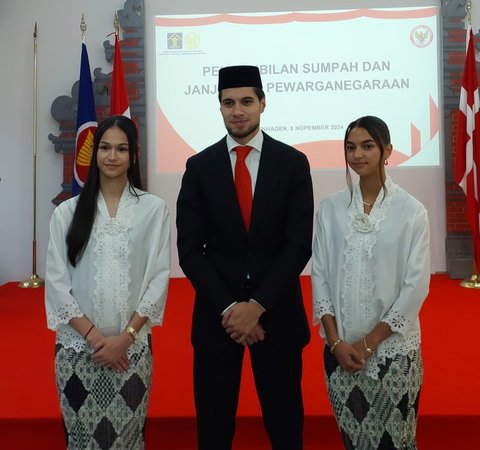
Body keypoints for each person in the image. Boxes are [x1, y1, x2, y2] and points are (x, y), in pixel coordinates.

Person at [176, 65, 314, 450]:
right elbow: (190, 249)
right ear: (220, 108)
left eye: (246, 102)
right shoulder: (199, 167)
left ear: (263, 104)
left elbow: (298, 244)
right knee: (214, 433)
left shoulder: (292, 163)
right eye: (228, 103)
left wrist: (257, 305)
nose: (238, 110)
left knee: (286, 429)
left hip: (278, 317)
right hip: (217, 322)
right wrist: (231, 309)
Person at [45, 115, 170, 450]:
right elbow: (56, 284)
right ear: (93, 153)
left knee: (127, 440)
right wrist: (98, 339)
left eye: (121, 148)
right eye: (104, 147)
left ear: (133, 156)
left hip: (131, 354)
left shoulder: (154, 210)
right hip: (77, 353)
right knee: (82, 440)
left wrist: (124, 339)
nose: (112, 156)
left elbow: (158, 278)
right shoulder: (67, 213)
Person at [311, 116, 430, 449]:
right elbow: (319, 275)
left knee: (397, 442)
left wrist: (369, 343)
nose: (357, 154)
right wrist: (336, 343)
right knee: (355, 441)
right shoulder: (330, 209)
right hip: (340, 352)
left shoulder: (412, 212)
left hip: (392, 354)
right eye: (350, 147)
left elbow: (415, 287)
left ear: (387, 150)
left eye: (367, 146)